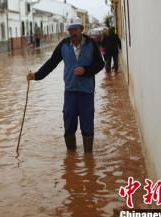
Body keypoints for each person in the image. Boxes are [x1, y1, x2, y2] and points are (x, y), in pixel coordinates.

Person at [26, 17, 105, 152]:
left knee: (87, 125)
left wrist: (86, 70)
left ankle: (88, 157)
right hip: (70, 91)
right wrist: (36, 76)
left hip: (87, 92)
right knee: (68, 124)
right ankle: (71, 157)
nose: (73, 32)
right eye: (70, 30)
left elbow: (100, 64)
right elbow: (52, 63)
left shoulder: (91, 44)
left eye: (75, 29)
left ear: (81, 29)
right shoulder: (63, 45)